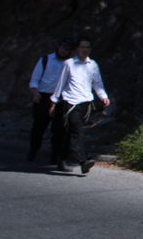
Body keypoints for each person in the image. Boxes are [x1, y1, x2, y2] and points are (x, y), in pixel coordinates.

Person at [49, 38, 109, 175]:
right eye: (83, 47)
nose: (85, 49)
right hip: (70, 102)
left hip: (86, 103)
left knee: (71, 132)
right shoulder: (69, 64)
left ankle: (62, 159)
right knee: (77, 131)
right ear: (77, 49)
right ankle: (83, 161)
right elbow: (61, 83)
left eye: (88, 47)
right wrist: (54, 102)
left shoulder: (92, 64)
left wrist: (103, 96)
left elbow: (97, 83)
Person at [27, 38, 73, 162]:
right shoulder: (45, 60)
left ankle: (55, 155)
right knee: (39, 127)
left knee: (59, 129)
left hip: (62, 99)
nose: (64, 51)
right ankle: (33, 151)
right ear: (58, 47)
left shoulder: (71, 64)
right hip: (44, 97)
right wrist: (35, 93)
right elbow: (34, 80)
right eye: (63, 48)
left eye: (67, 49)